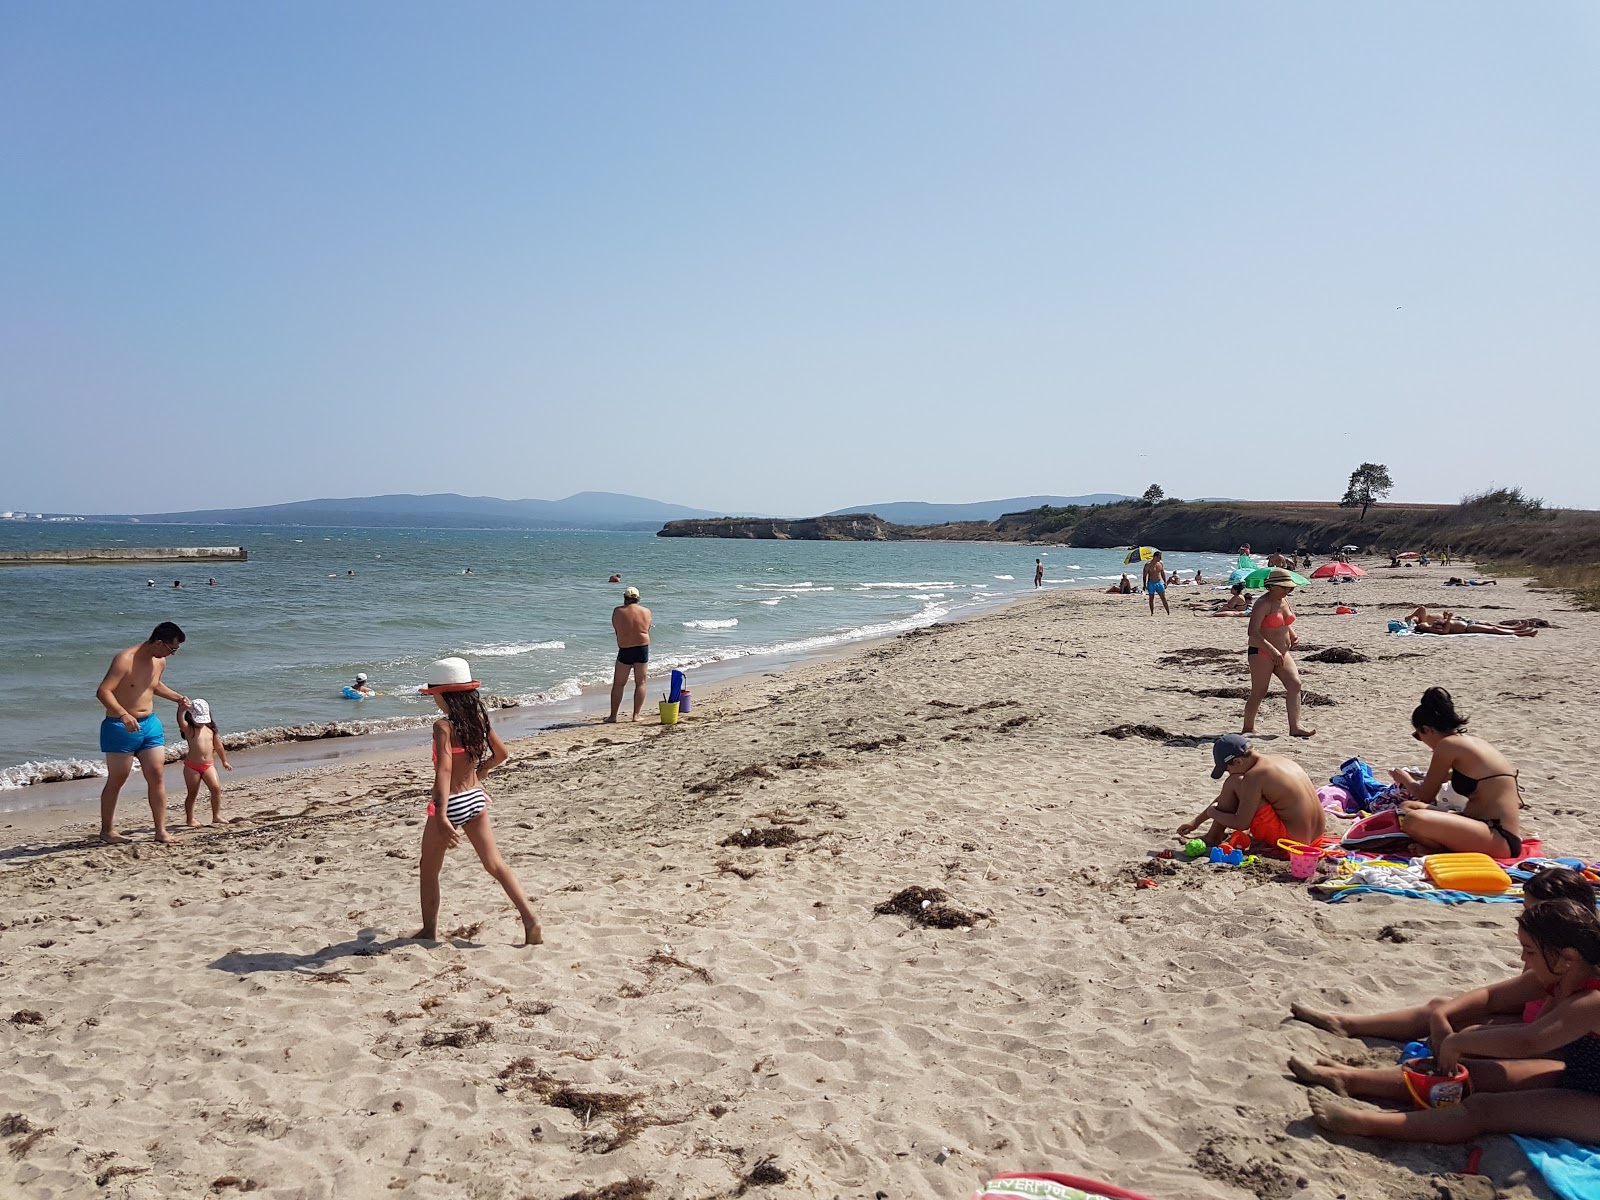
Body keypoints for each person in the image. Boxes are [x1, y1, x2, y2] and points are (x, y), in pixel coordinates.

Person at [1295, 899, 1600, 1144]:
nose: (1523, 960)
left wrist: (1457, 1040)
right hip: (1579, 1075)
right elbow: (1491, 998)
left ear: (1566, 957)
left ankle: (1366, 1124)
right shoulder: (1564, 975)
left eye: (1529, 951)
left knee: (1485, 1110)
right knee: (1469, 1075)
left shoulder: (1592, 1000)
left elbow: (1529, 1040)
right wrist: (1442, 1016)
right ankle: (1349, 1079)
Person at [1290, 866, 1596, 1041]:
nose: (1526, 918)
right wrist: (1444, 1013)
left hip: (1552, 1036)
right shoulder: (1552, 956)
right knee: (1442, 1008)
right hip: (1532, 1020)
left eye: (1534, 912)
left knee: (1466, 1028)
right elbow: (1494, 996)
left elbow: (1539, 1034)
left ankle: (1352, 1038)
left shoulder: (1571, 966)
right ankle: (1348, 1024)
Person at [416, 657, 541, 946]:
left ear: (442, 694)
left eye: (433, 694)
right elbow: (502, 754)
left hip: (451, 801)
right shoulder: (479, 719)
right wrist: (481, 770)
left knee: (429, 869)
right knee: (495, 864)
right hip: (475, 797)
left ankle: (428, 931)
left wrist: (442, 814)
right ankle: (530, 919)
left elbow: (444, 771)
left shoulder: (442, 726)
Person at [1389, 687, 1526, 858]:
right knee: (1408, 807)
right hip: (1483, 826)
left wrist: (1404, 779)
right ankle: (1442, 848)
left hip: (1498, 835)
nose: (1421, 740)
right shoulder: (1471, 743)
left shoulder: (1447, 746)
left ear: (1427, 729)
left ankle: (1440, 851)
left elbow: (1425, 795)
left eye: (1418, 735)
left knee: (1413, 820)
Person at [95, 622, 190, 844]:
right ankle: (107, 830)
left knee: (157, 775)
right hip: (120, 727)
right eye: (172, 649)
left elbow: (152, 685)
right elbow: (103, 691)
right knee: (117, 779)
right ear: (159, 642)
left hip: (150, 724)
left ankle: (161, 831)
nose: (172, 655)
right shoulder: (125, 659)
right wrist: (122, 714)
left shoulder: (160, 661)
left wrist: (177, 697)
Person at [1178, 734, 1325, 852]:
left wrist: (1212, 812)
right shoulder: (1276, 759)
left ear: (1239, 762)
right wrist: (1197, 821)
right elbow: (1235, 796)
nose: (1229, 774)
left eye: (1228, 770)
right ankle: (1213, 835)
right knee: (1236, 784)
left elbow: (1241, 823)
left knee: (1233, 782)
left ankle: (1213, 837)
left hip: (1290, 842)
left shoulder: (1254, 776)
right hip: (1316, 836)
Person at [1241, 567, 1314, 738]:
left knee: (1295, 684)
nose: (1287, 590)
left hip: (1282, 653)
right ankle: (1248, 727)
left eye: (1289, 587)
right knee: (1259, 691)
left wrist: (1293, 635)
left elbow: (1284, 624)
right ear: (1271, 586)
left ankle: (1295, 727)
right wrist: (1271, 649)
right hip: (1261, 652)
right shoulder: (1262, 604)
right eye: (1284, 587)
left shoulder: (1284, 601)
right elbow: (1253, 631)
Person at [177, 698, 232, 827]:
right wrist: (180, 711)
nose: (201, 723)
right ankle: (190, 819)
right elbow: (180, 722)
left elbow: (218, 746)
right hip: (192, 766)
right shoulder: (189, 730)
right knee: (192, 793)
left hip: (208, 765)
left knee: (216, 789)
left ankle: (216, 816)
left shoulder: (210, 730)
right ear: (191, 718)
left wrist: (224, 761)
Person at [606, 585, 653, 723]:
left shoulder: (618, 611)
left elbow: (617, 630)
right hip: (641, 648)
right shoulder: (646, 611)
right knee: (641, 682)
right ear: (638, 599)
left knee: (619, 684)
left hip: (625, 649)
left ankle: (613, 716)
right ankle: (636, 715)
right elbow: (647, 628)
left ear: (625, 598)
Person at [1407, 606, 1534, 636]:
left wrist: (1446, 618)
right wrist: (1449, 619)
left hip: (1467, 624)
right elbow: (1446, 632)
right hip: (1467, 628)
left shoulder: (1430, 625)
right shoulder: (1432, 629)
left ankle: (1517, 628)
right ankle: (1524, 633)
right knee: (1493, 630)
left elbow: (1422, 610)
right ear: (1422, 627)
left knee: (1491, 626)